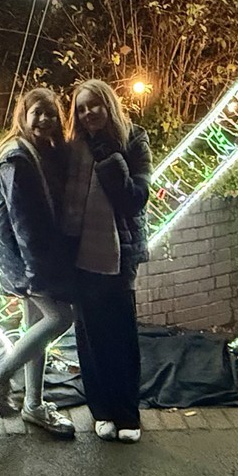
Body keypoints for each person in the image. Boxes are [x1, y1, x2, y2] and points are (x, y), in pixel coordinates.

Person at [0, 87, 77, 438]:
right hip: (26, 260)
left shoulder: (40, 152)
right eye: (39, 112)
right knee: (62, 316)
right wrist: (34, 272)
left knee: (34, 325)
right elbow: (22, 223)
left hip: (34, 258)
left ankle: (34, 404)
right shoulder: (17, 157)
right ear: (24, 115)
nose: (46, 119)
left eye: (51, 113)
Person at [64, 79, 152, 443]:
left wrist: (109, 159)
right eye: (81, 109)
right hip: (81, 253)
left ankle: (127, 414)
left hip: (120, 253)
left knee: (121, 334)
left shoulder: (133, 139)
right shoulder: (74, 146)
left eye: (93, 105)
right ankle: (101, 411)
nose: (87, 114)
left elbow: (136, 199)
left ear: (108, 104)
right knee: (89, 336)